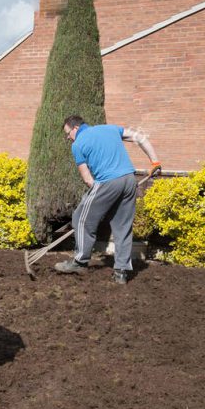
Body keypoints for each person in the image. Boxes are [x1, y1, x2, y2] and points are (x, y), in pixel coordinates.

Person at [54, 115, 161, 284]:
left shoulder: (78, 145)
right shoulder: (110, 128)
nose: (68, 138)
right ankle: (121, 272)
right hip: (129, 181)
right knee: (122, 227)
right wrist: (155, 162)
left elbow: (88, 179)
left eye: (68, 133)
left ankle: (79, 261)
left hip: (107, 182)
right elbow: (139, 137)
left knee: (80, 218)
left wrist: (101, 196)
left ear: (75, 128)